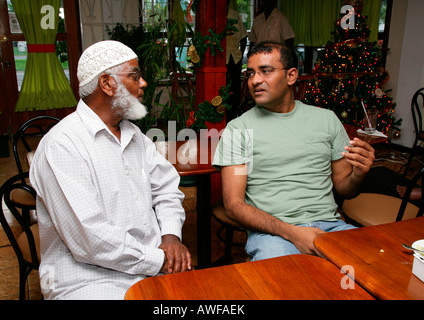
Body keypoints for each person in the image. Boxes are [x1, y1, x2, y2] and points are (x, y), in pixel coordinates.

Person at [29, 40, 192, 300]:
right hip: (87, 279)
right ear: (107, 83)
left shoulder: (134, 135)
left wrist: (171, 236)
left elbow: (166, 189)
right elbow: (89, 239)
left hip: (150, 263)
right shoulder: (62, 145)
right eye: (134, 76)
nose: (144, 84)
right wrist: (159, 259)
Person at [212, 41, 375, 260]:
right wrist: (294, 233)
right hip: (273, 234)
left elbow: (345, 189)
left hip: (331, 227)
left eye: (266, 71)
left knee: (377, 269)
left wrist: (358, 174)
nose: (255, 80)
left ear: (291, 76)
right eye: (250, 73)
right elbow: (234, 205)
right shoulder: (238, 130)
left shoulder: (326, 120)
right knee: (289, 287)